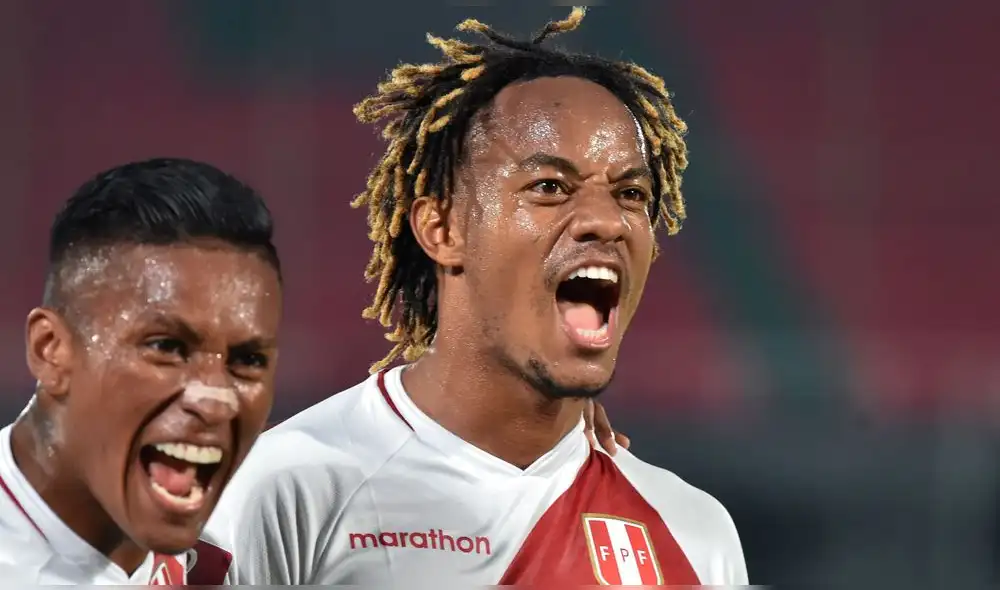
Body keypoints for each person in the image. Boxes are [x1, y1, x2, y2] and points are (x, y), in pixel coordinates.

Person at [202, 7, 747, 585]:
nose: (605, 221)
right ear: (442, 229)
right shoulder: (288, 487)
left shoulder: (694, 532)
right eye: (549, 187)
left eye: (630, 192)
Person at [0, 158, 283, 584]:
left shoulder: (242, 549)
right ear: (50, 350)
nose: (216, 400)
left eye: (247, 360)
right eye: (166, 347)